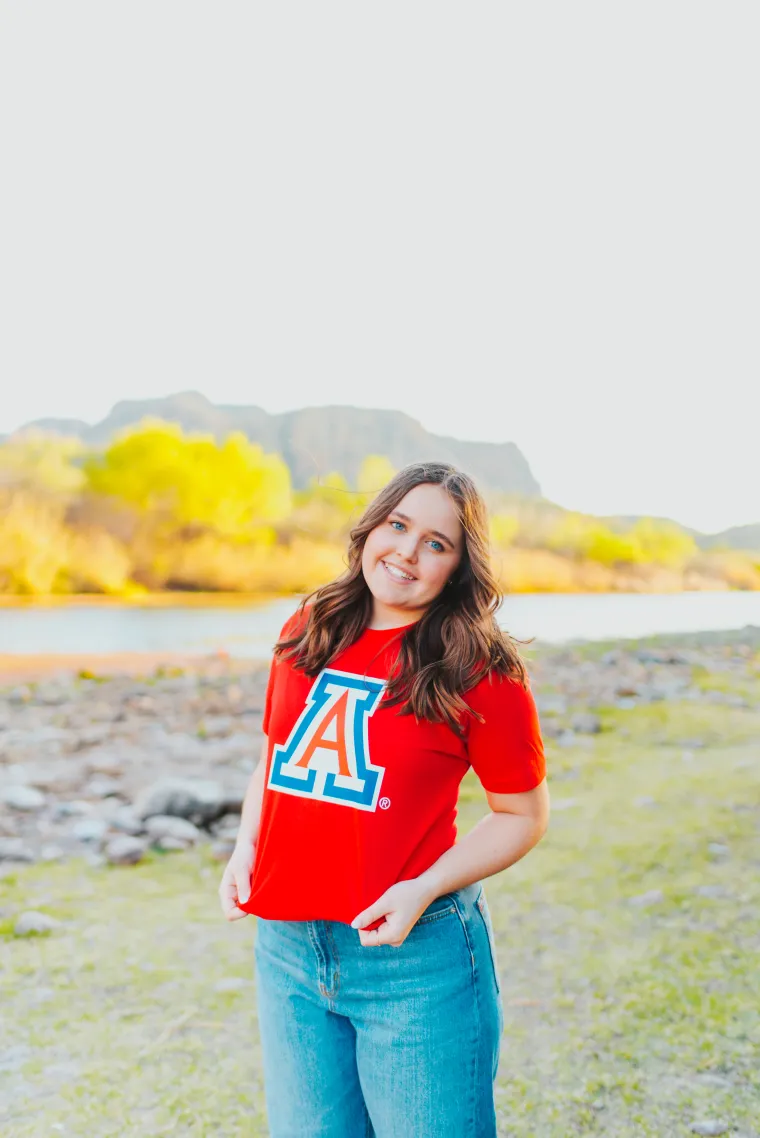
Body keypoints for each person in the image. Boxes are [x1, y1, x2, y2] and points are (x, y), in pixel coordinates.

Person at [219, 461, 550, 1137]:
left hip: (415, 961)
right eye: (397, 525)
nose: (407, 550)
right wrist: (245, 847)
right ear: (371, 527)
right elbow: (277, 758)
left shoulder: (477, 667)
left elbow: (522, 814)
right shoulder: (310, 624)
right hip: (287, 948)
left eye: (437, 542)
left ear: (459, 567)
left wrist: (422, 888)